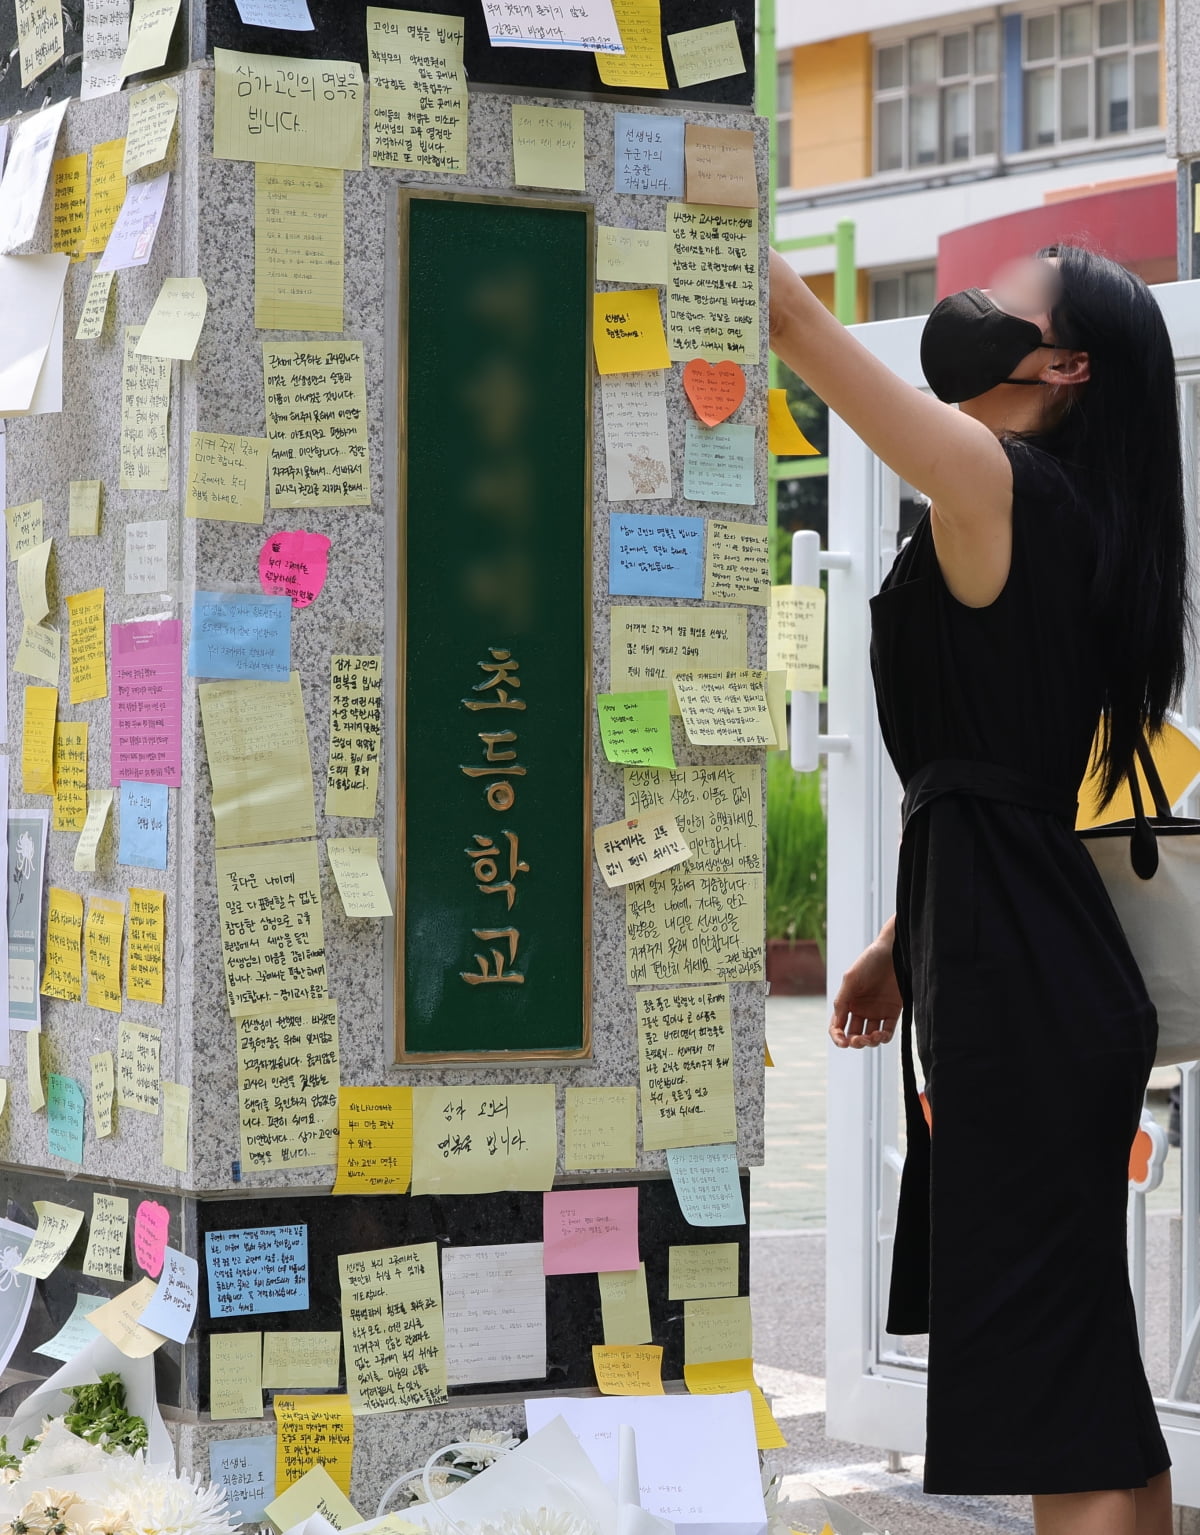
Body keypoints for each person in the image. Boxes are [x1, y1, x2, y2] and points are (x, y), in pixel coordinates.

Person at [768, 244, 1190, 1535]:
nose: (974, 302)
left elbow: (790, 318)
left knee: (1051, 1392)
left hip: (1019, 991)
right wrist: (903, 939)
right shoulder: (1052, 510)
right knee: (1085, 1365)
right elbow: (998, 778)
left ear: (1062, 367)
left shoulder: (1005, 485)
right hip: (1024, 966)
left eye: (1011, 294)